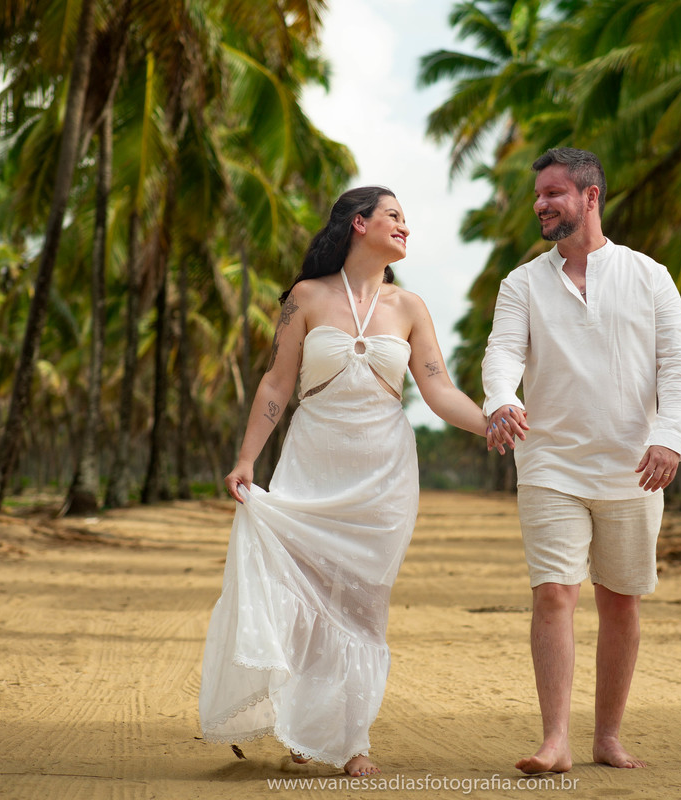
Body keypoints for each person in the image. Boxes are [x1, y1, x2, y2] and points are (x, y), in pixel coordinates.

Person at [199, 186, 488, 778]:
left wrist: (494, 426)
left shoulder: (409, 307)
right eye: (394, 217)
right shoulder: (305, 297)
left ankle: (352, 740)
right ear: (359, 224)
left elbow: (438, 391)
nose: (405, 227)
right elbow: (277, 383)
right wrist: (247, 458)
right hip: (312, 464)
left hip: (383, 475)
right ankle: (303, 731)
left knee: (361, 605)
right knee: (304, 599)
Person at [483, 148, 681, 774]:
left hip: (635, 465)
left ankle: (607, 736)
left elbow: (679, 367)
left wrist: (670, 437)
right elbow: (502, 354)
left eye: (553, 193)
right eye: (538, 197)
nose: (541, 205)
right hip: (549, 463)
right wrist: (500, 398)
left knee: (622, 600)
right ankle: (555, 740)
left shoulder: (649, 275)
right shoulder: (520, 283)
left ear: (591, 196)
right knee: (554, 591)